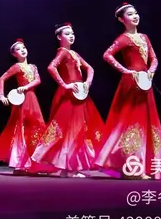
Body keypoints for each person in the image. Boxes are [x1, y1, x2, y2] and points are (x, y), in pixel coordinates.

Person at [95, 3, 161, 179]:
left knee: (147, 122)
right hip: (131, 84)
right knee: (132, 122)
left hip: (145, 82)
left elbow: (154, 58)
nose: (135, 16)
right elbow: (107, 55)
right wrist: (126, 70)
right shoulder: (123, 39)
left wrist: (151, 71)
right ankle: (133, 169)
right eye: (130, 14)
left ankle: (147, 167)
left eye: (136, 13)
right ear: (122, 20)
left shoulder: (144, 37)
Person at [30, 23, 105, 177]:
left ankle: (67, 168)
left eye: (72, 33)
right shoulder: (63, 52)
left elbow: (90, 68)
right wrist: (65, 85)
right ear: (59, 37)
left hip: (79, 94)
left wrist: (87, 82)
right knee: (72, 130)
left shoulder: (74, 54)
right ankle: (70, 168)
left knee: (73, 130)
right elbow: (51, 67)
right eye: (67, 34)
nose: (71, 36)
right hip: (70, 96)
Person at [0, 39, 46, 174]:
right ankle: (20, 164)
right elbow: (1, 79)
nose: (22, 50)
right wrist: (2, 96)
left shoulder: (33, 67)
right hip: (22, 101)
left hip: (32, 98)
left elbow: (38, 80)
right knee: (22, 129)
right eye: (18, 49)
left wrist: (26, 87)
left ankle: (36, 162)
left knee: (37, 127)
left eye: (23, 47)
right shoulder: (17, 67)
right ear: (14, 54)